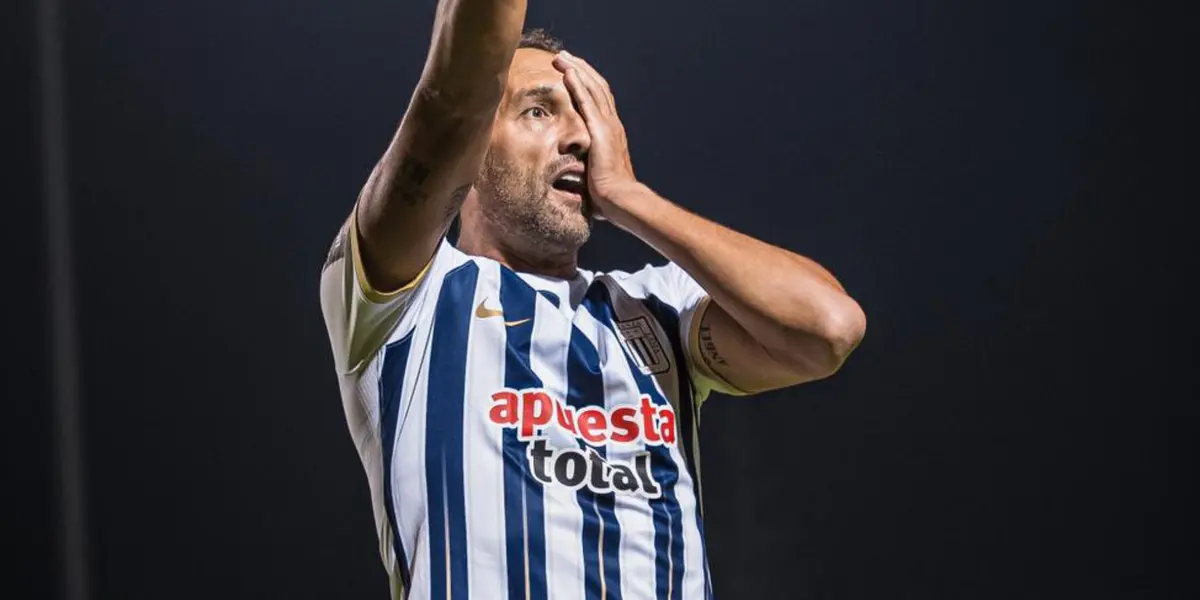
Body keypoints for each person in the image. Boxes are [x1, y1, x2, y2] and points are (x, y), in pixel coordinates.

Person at [319, 1, 866, 598]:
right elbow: (452, 93)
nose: (581, 137)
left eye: (589, 116)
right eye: (538, 111)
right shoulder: (409, 297)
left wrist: (631, 197)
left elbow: (828, 328)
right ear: (471, 149)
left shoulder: (657, 308)